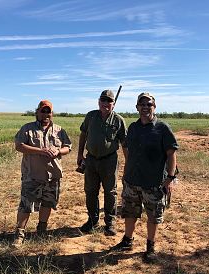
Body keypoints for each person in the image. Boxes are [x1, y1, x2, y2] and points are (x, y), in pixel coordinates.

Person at [111, 92, 179, 263]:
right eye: (142, 104)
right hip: (132, 180)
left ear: (154, 107)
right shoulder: (133, 127)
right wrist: (127, 170)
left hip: (154, 182)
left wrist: (170, 177)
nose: (145, 107)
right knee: (129, 212)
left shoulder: (162, 128)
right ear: (137, 108)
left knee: (153, 216)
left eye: (149, 104)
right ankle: (127, 240)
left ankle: (150, 246)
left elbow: (171, 154)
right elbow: (126, 147)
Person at [12, 100, 72, 248]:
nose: (45, 114)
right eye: (43, 111)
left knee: (47, 203)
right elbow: (19, 146)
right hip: (32, 175)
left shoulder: (59, 130)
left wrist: (58, 151)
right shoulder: (27, 129)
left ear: (52, 114)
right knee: (26, 206)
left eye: (48, 111)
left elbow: (68, 147)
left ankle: (41, 230)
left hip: (53, 175)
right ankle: (19, 235)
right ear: (37, 112)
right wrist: (41, 151)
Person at [77, 89, 127, 236]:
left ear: (114, 104)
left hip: (109, 161)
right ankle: (92, 220)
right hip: (91, 160)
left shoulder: (119, 120)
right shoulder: (91, 116)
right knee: (90, 191)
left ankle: (110, 223)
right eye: (103, 100)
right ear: (98, 102)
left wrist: (128, 164)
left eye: (109, 101)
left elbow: (125, 143)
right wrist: (80, 154)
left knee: (110, 192)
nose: (106, 103)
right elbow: (83, 134)